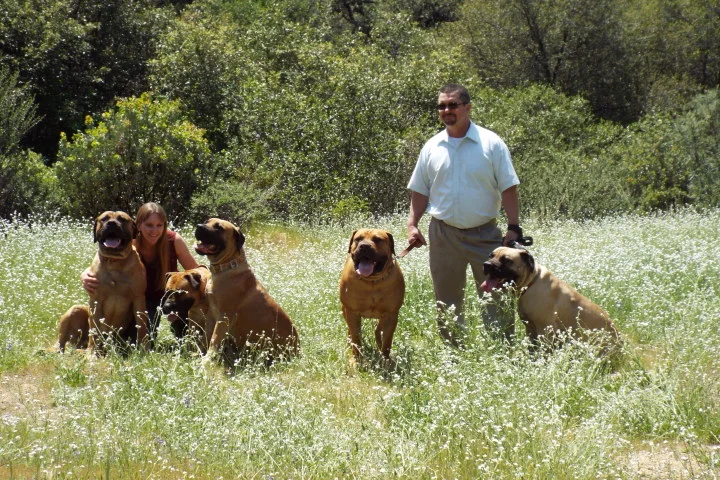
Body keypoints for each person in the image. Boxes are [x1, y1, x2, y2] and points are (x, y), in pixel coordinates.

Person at [406, 83, 522, 346]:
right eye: (442, 106)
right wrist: (413, 225)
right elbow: (420, 190)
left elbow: (509, 187)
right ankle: (454, 353)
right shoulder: (432, 147)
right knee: (446, 299)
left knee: (496, 298)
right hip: (443, 234)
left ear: (467, 108)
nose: (447, 110)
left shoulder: (491, 144)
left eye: (453, 105)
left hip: (486, 237)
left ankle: (501, 353)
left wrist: (514, 227)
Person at [81, 202, 199, 344]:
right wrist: (86, 273)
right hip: (144, 300)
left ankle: (183, 332)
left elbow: (195, 270)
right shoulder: (130, 244)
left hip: (167, 296)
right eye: (149, 225)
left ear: (164, 225)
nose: (154, 230)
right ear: (138, 226)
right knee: (137, 339)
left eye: (159, 225)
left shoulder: (173, 240)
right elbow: (104, 259)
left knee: (186, 332)